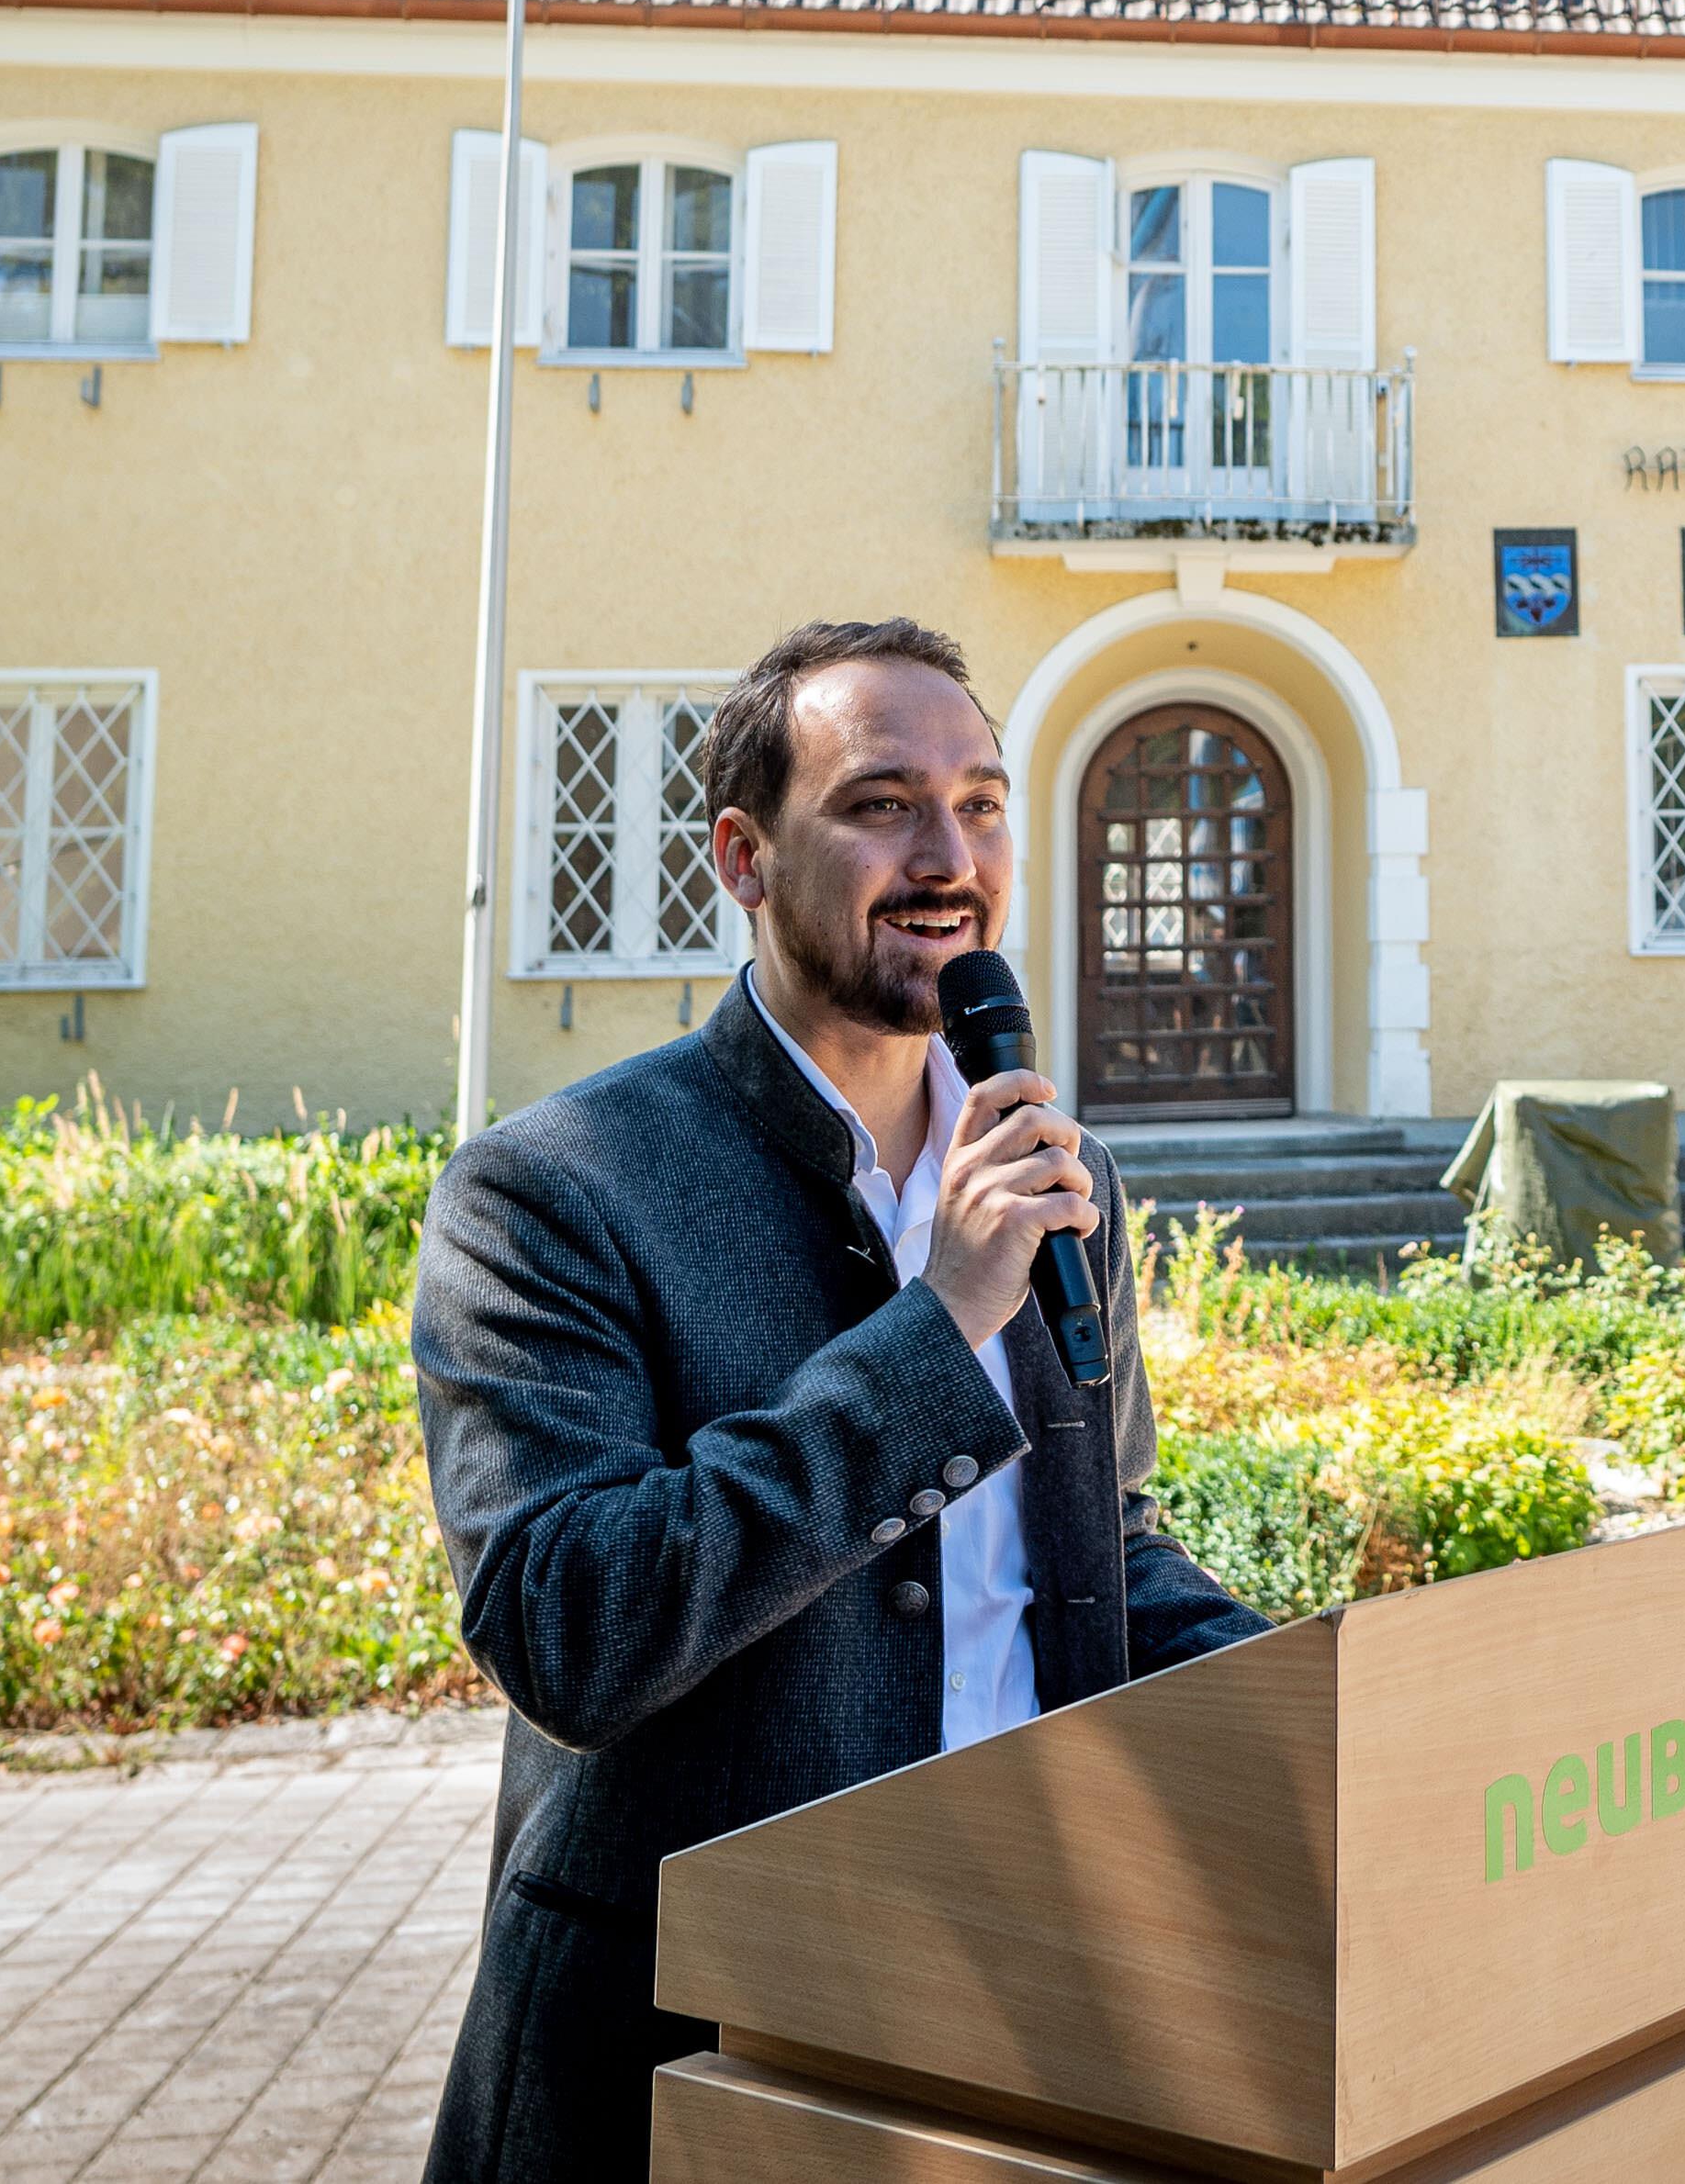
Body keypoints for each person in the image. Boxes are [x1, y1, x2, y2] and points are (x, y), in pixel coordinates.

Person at [410, 615, 1264, 2184]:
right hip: (690, 2048)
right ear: (743, 855)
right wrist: (938, 1327)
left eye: (984, 800)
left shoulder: (1059, 1175)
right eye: (881, 802)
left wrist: (1327, 1695)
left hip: (1028, 2005)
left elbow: (1095, 1556)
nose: (951, 852)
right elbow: (569, 1626)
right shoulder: (552, 1191)